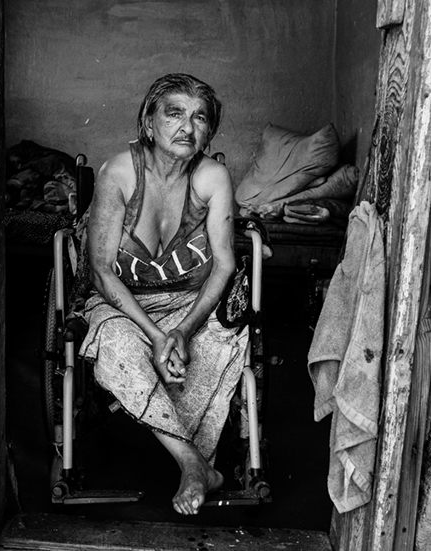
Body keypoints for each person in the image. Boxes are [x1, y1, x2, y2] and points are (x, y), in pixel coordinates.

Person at [79, 73, 248, 515]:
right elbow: (101, 271)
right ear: (149, 123)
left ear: (209, 131)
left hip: (192, 303)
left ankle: (191, 461)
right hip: (124, 303)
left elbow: (224, 264)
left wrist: (184, 330)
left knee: (218, 341)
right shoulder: (120, 173)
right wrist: (157, 336)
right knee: (117, 343)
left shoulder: (212, 177)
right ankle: (193, 464)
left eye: (199, 118)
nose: (187, 128)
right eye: (174, 114)